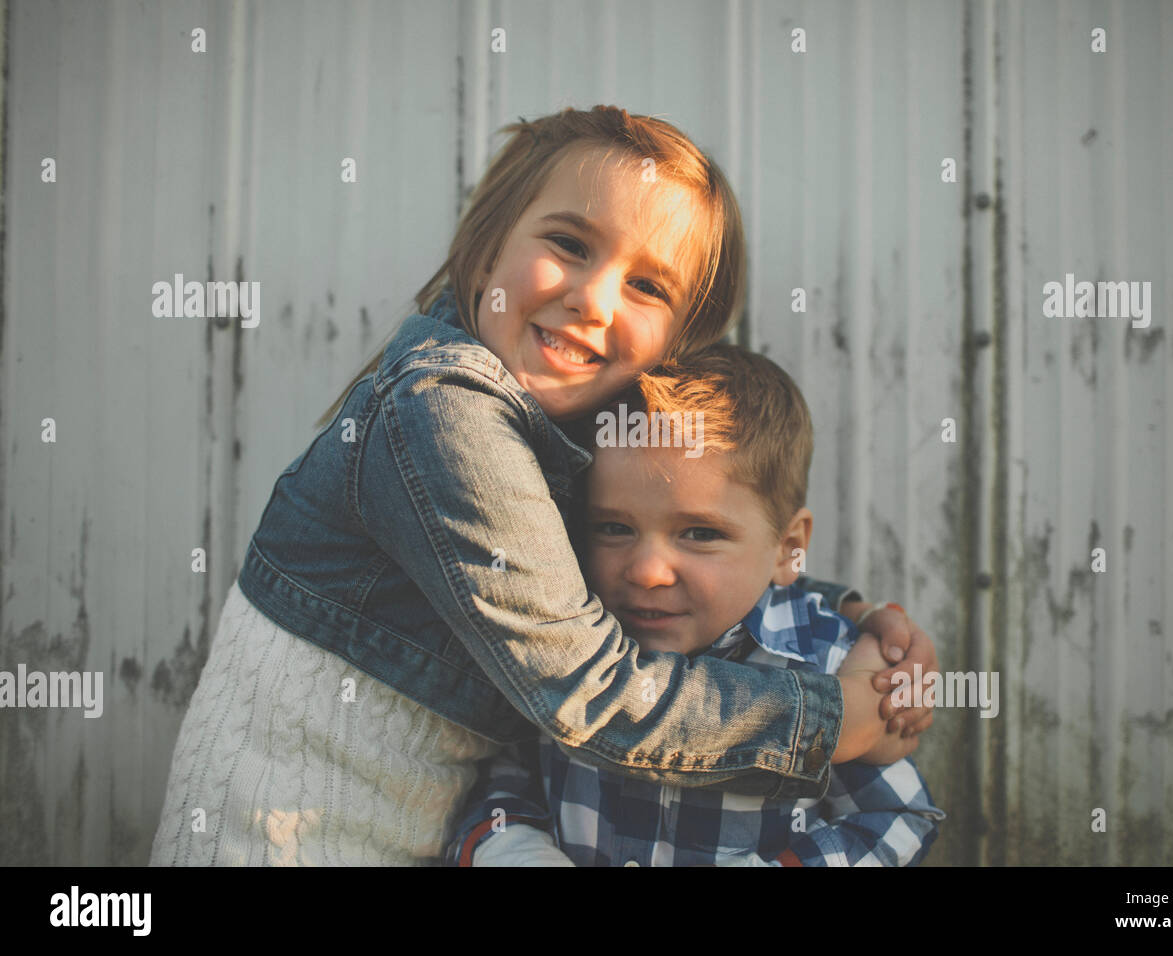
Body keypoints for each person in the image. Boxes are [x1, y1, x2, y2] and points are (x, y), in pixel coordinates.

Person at [149, 106, 938, 866]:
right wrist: (840, 716)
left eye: (648, 287)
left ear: (678, 346)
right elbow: (594, 699)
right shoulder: (443, 411)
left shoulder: (566, 432)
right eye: (569, 242)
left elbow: (697, 558)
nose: (592, 299)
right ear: (489, 247)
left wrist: (849, 619)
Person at [449, 345, 944, 866]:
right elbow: (504, 768)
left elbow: (900, 814)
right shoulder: (565, 638)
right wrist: (516, 849)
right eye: (614, 527)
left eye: (699, 533)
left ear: (788, 547)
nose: (646, 571)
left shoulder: (830, 665)